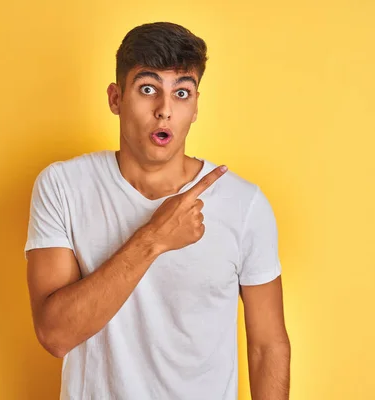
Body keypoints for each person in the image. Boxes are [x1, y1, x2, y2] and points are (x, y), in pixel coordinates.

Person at [24, 21, 290, 400]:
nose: (165, 110)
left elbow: (268, 347)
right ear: (116, 98)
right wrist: (154, 239)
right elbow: (55, 335)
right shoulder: (63, 187)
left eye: (182, 92)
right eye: (148, 89)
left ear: (196, 106)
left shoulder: (243, 204)